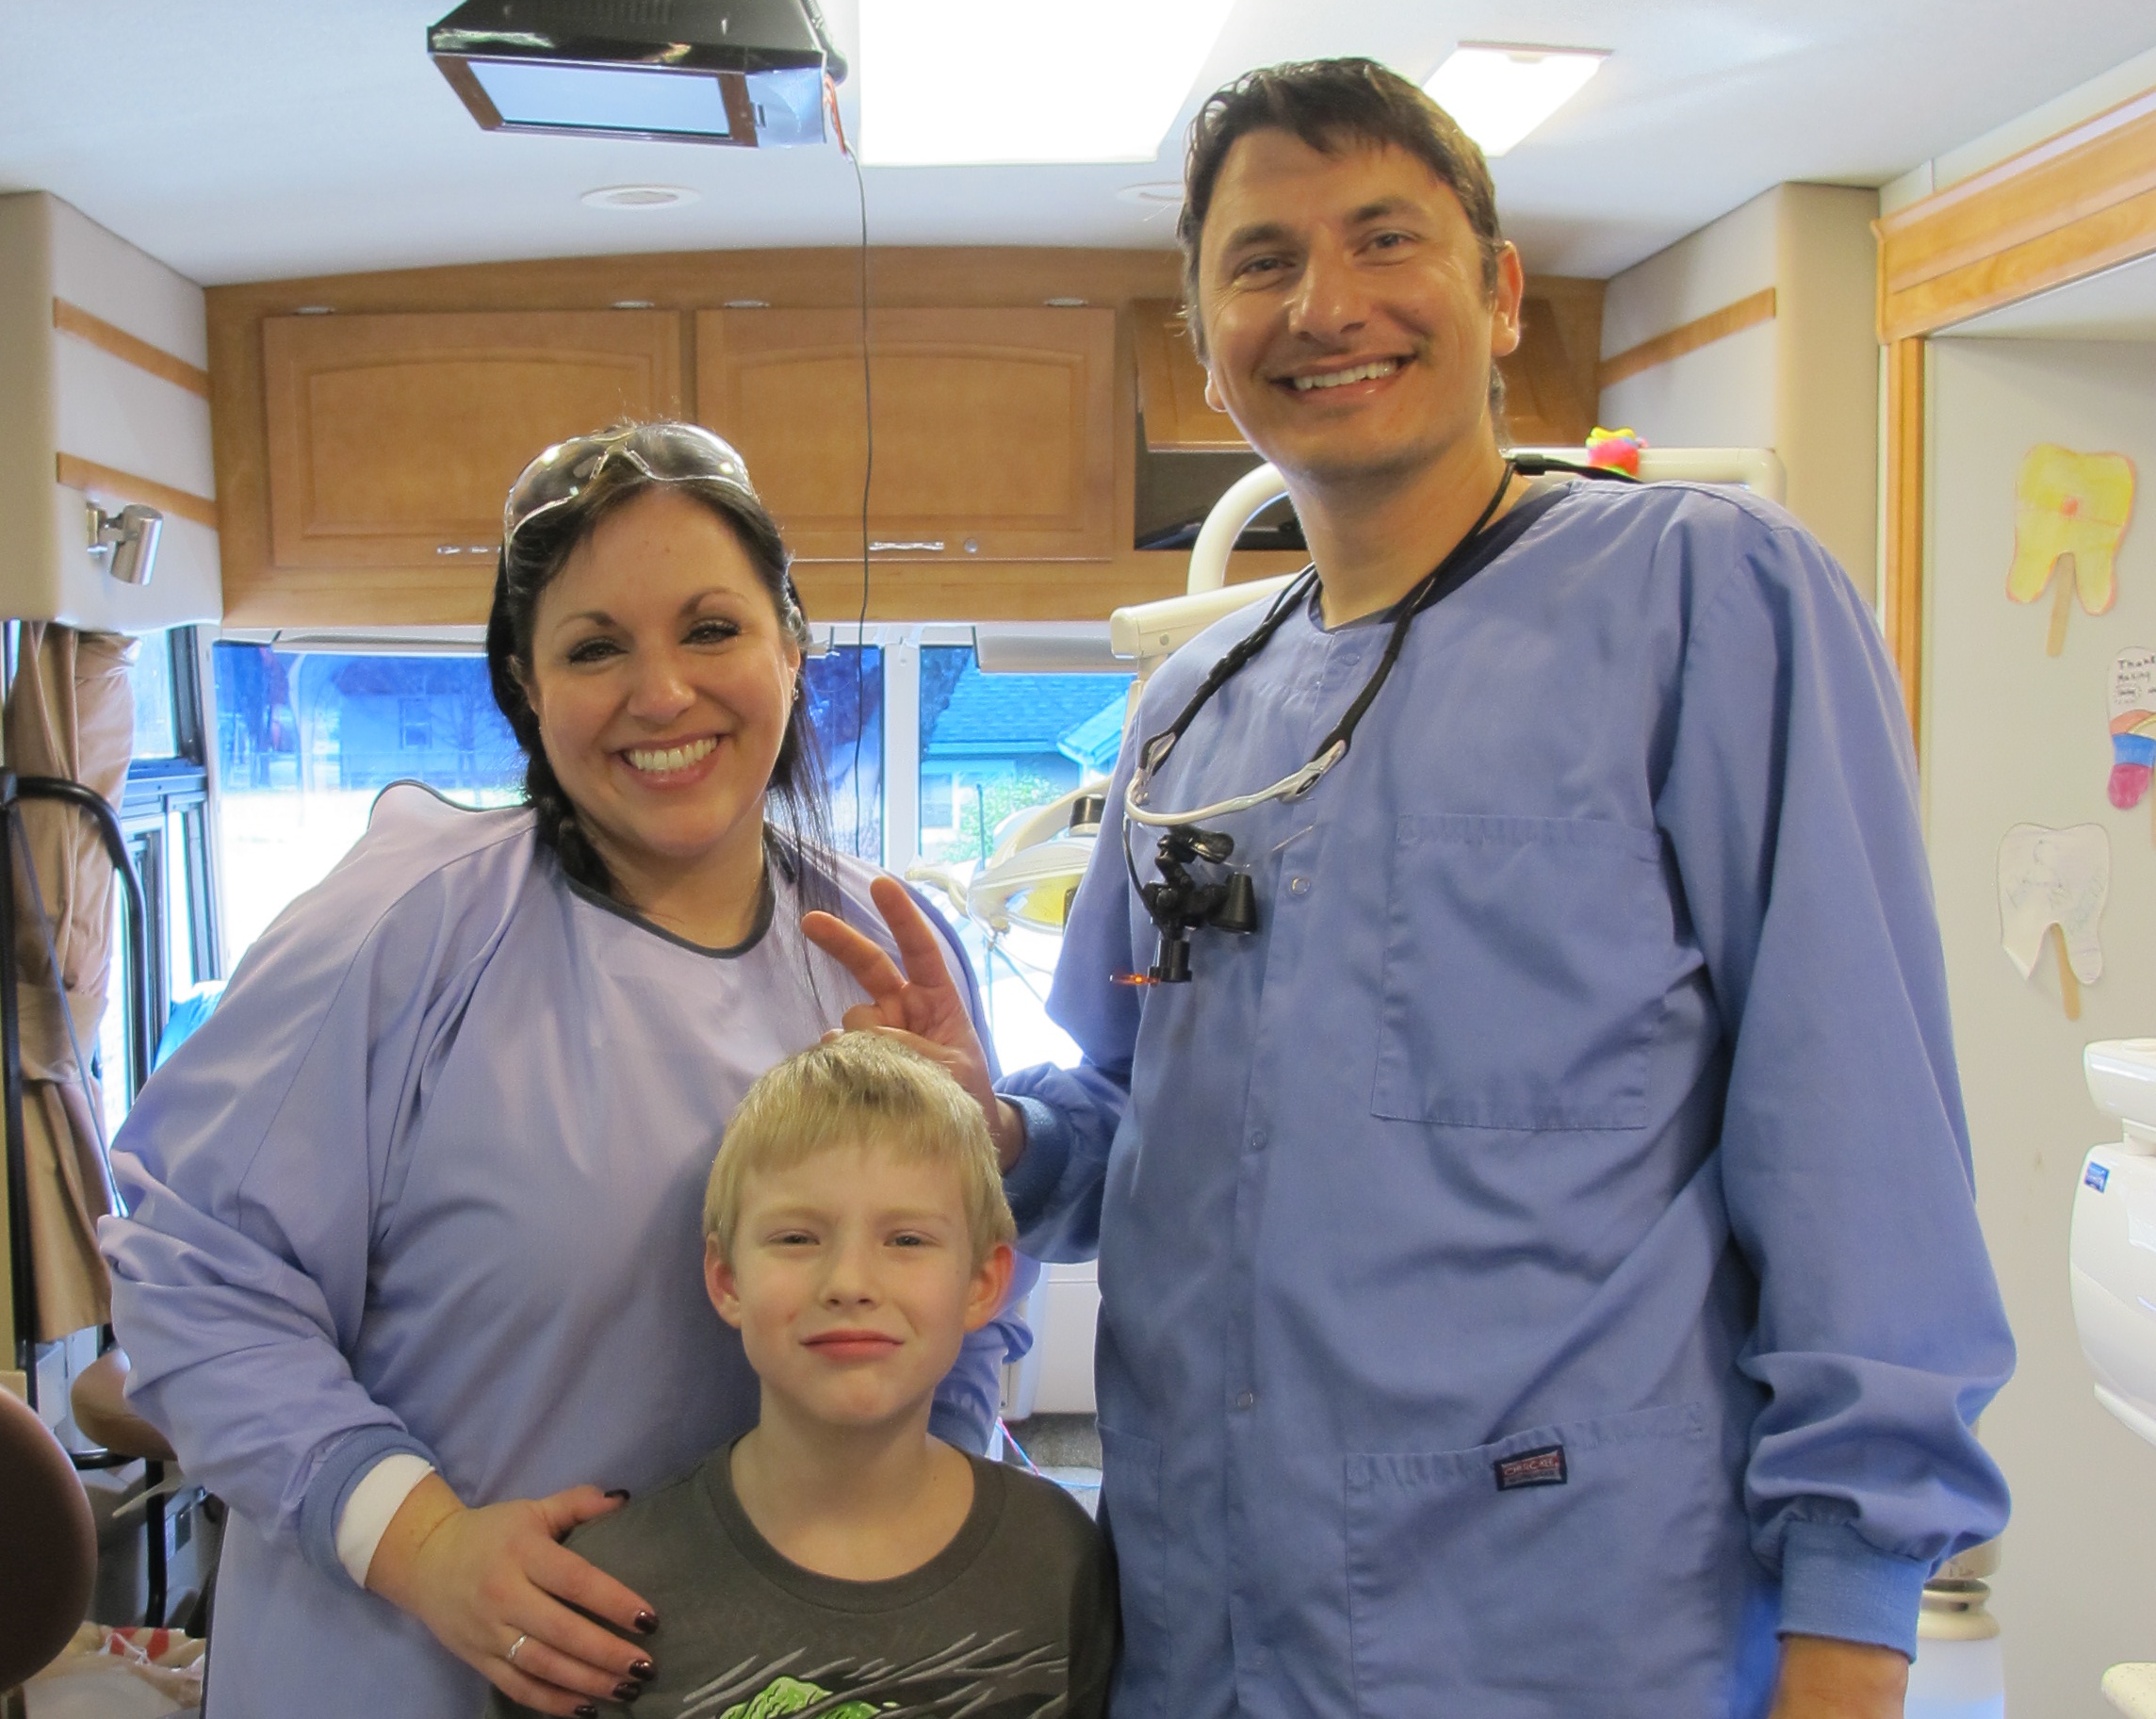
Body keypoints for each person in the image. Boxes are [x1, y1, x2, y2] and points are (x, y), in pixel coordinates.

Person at [805, 58, 2014, 1719]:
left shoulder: (1700, 602)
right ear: (1204, 335)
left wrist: (1853, 1633)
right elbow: (1129, 1122)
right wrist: (990, 1133)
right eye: (1260, 261)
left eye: (1386, 238)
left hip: (1574, 1628)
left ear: (1498, 290)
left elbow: (1855, 1137)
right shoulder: (1190, 709)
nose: (1325, 304)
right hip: (1207, 1622)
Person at [101, 422, 1030, 1719]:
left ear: (793, 650)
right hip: (397, 1671)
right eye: (596, 647)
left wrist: (916, 1561)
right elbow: (193, 1278)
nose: (662, 695)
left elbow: (975, 1302)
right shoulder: (408, 926)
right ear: (526, 690)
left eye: (712, 629)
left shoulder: (875, 955)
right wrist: (421, 1544)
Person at [494, 1033, 1114, 1719]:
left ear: (982, 1281)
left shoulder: (1058, 1561)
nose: (849, 1283)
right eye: (797, 1238)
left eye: (906, 1240)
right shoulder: (604, 1590)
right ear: (727, 1278)